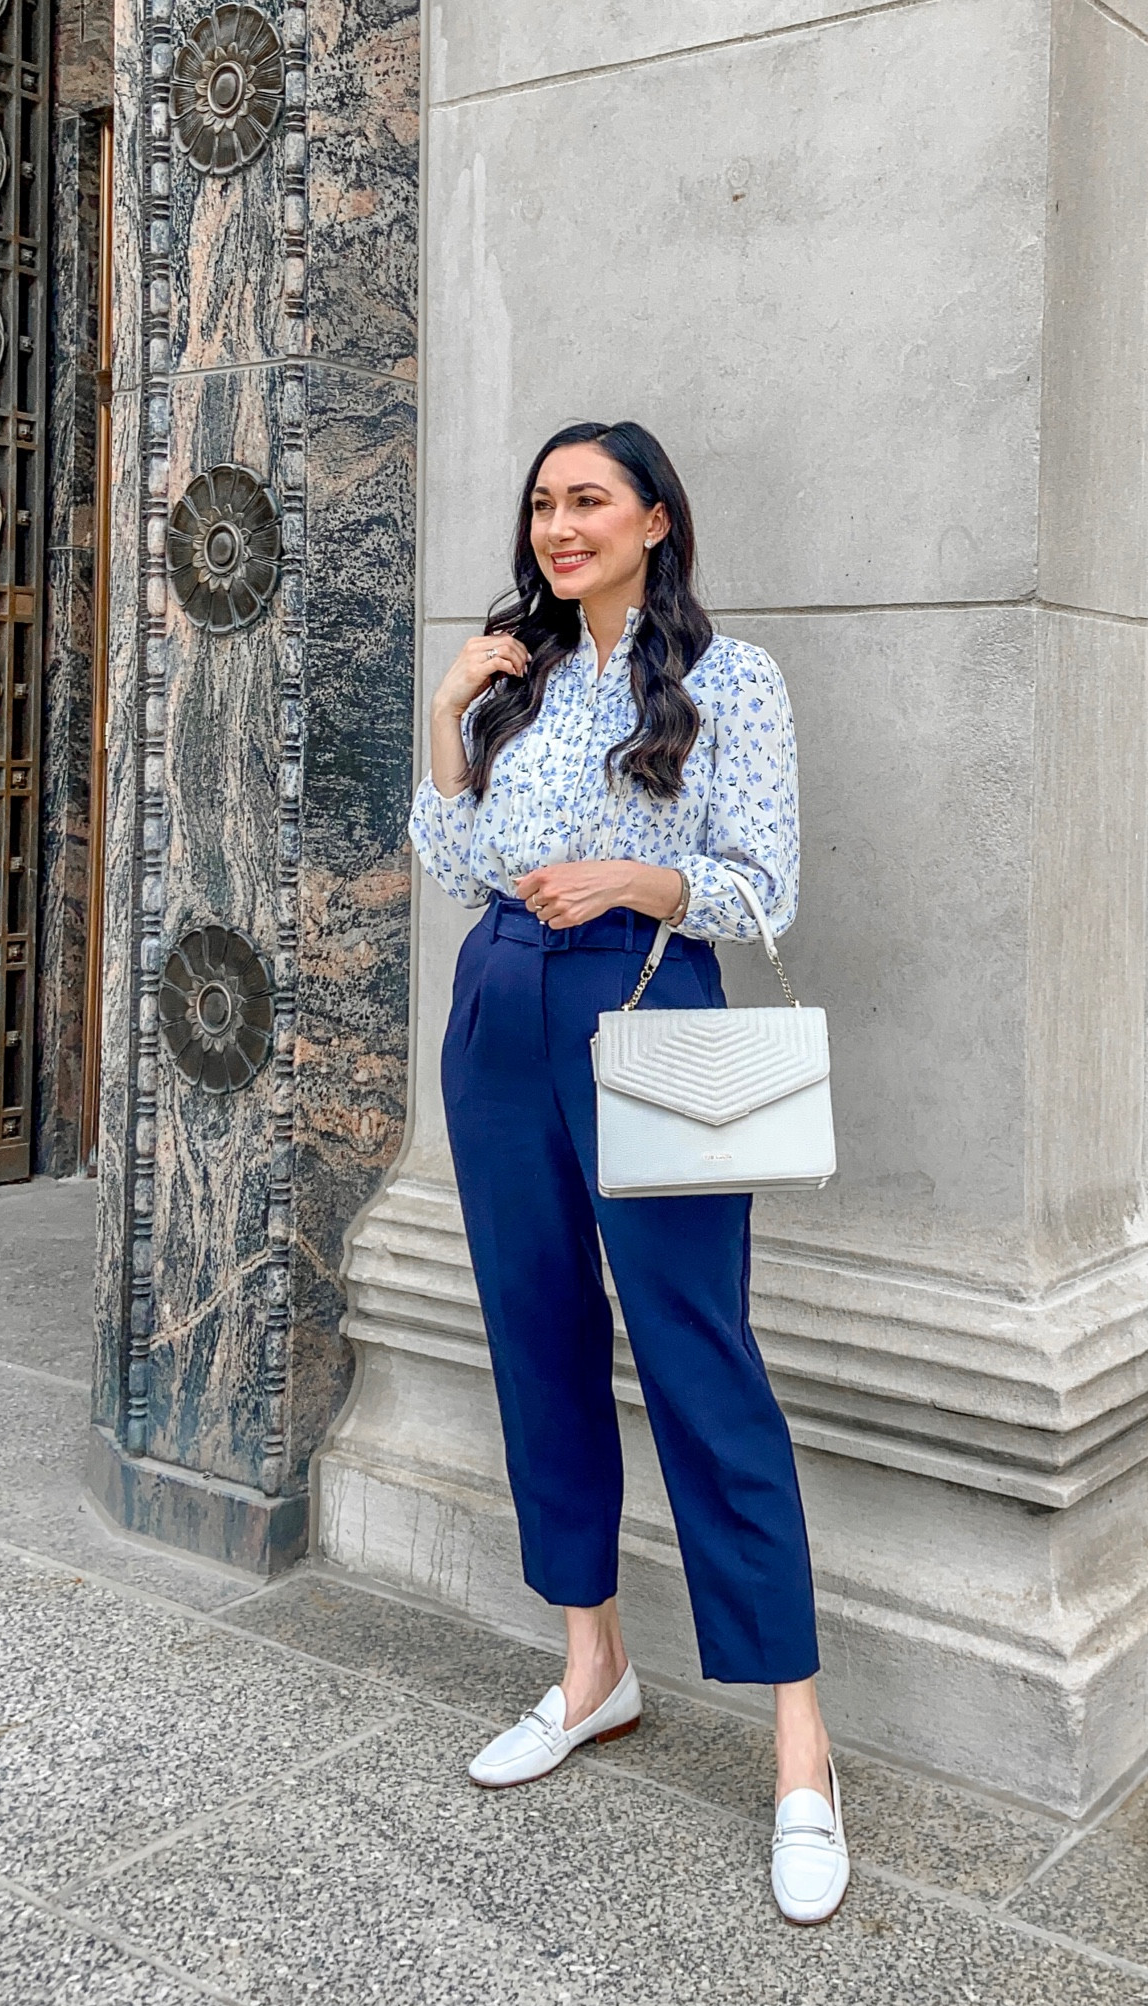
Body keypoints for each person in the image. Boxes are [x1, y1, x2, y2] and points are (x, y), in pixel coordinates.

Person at [407, 419, 849, 1925]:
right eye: (541, 501)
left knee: (697, 1353)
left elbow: (765, 883)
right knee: (535, 1339)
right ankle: (591, 1664)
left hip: (647, 1001)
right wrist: (448, 713)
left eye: (588, 500)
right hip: (498, 1010)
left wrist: (639, 875)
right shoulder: (518, 681)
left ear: (655, 519)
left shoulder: (732, 685)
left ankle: (803, 1745)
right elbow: (455, 862)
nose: (559, 524)